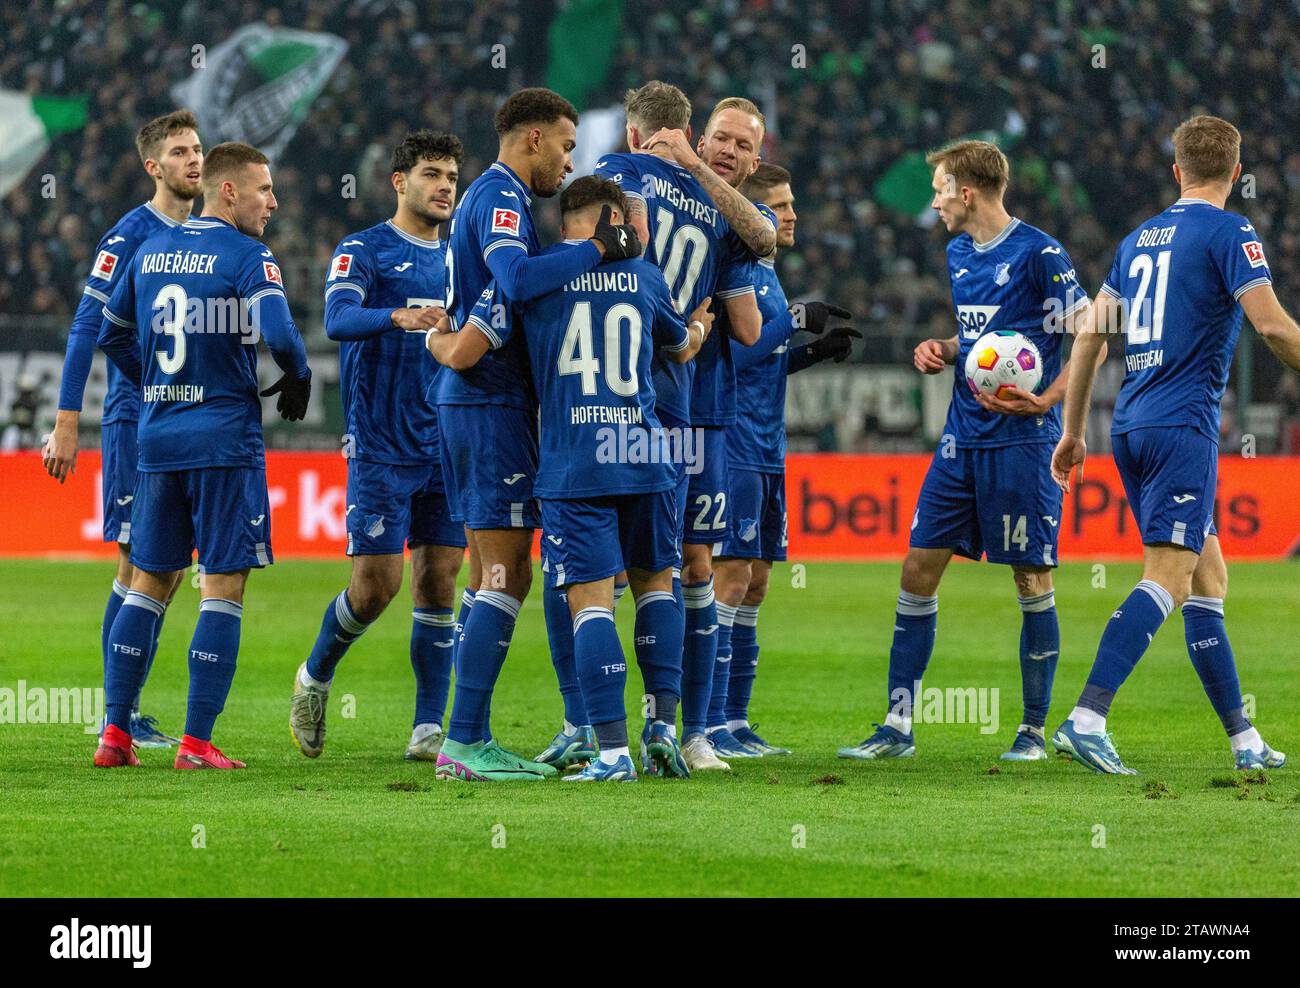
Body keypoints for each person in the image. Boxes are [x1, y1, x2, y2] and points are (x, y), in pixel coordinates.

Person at [1050, 116, 1300, 773]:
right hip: (1182, 426)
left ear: (1176, 171)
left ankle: (1244, 741)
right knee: (1166, 575)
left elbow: (1089, 337)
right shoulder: (1231, 231)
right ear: (1237, 175)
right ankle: (1087, 716)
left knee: (1207, 576)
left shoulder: (1136, 241)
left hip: (1130, 424)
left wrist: (1075, 432)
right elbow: (1272, 327)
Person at [838, 140, 1093, 762]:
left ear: (968, 192)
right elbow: (984, 337)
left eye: (941, 189)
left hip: (1023, 443)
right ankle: (897, 727)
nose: (935, 202)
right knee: (917, 570)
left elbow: (1093, 333)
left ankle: (1032, 732)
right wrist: (947, 349)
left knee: (1031, 577)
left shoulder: (1041, 254)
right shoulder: (956, 253)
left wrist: (1050, 401)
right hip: (960, 442)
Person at [428, 88, 641, 782]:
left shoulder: (505, 204)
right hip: (489, 410)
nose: (567, 160)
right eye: (564, 145)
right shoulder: (500, 199)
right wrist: (594, 250)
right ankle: (463, 742)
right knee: (506, 571)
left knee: (498, 570)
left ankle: (474, 734)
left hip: (483, 406)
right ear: (531, 140)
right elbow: (516, 281)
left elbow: (486, 311)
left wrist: (449, 346)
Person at [94, 142, 311, 770]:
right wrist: (294, 372)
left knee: (147, 583)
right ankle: (194, 743)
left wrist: (157, 385)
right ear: (228, 193)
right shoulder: (248, 255)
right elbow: (279, 334)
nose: (272, 202)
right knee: (222, 586)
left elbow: (111, 331)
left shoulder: (149, 251)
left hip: (157, 441)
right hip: (223, 443)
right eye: (263, 190)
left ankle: (114, 735)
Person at [290, 131, 466, 762]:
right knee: (375, 587)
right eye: (431, 174)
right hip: (381, 447)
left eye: (451, 175)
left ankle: (427, 727)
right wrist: (397, 316)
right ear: (399, 181)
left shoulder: (465, 258)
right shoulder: (364, 250)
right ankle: (314, 675)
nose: (445, 185)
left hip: (448, 446)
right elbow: (337, 322)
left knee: (440, 582)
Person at [44, 109, 203, 749]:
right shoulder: (130, 234)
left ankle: (125, 712)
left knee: (159, 562)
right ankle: (119, 716)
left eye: (197, 149)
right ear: (152, 167)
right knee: (139, 560)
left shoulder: (205, 235)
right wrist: (65, 419)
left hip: (185, 418)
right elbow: (87, 326)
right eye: (180, 152)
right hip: (136, 418)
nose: (194, 159)